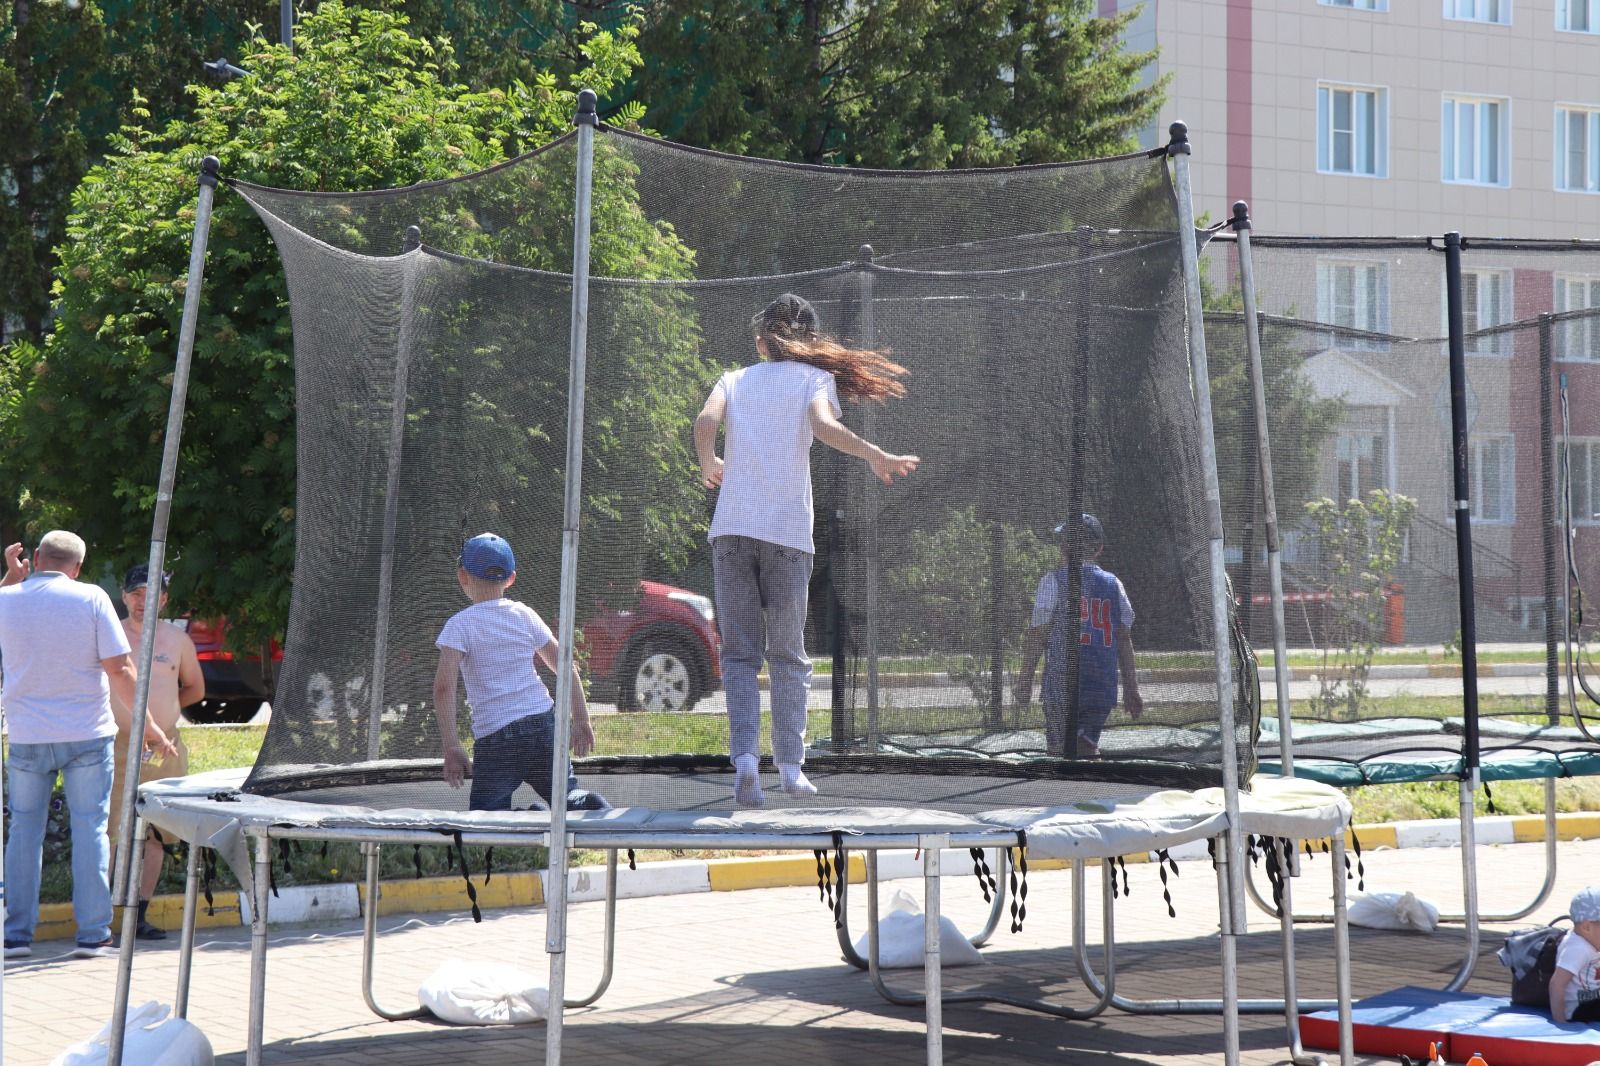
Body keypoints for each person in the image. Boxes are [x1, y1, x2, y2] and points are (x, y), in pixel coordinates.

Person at [694, 293, 919, 806]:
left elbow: (706, 421)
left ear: (760, 343)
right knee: (788, 655)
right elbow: (824, 427)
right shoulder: (815, 380)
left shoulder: (734, 378)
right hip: (788, 535)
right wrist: (875, 455)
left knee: (740, 654)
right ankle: (791, 768)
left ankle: (746, 762)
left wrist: (709, 461)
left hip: (731, 531)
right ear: (810, 344)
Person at [1, 533, 176, 959]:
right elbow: (120, 669)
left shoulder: (7, 599)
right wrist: (150, 726)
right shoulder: (93, 598)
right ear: (78, 567)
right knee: (91, 830)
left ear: (37, 558)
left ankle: (16, 936)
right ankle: (94, 935)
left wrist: (9, 578)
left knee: (24, 832)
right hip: (87, 734)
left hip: (27, 736)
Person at [431, 533, 609, 812]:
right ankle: (580, 803)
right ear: (511, 578)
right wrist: (581, 719)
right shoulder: (523, 614)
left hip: (496, 737)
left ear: (462, 576)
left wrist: (452, 746)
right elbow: (565, 665)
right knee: (565, 797)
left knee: (488, 816)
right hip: (542, 725)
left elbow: (444, 689)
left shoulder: (460, 625)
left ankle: (527, 816)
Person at [108, 564, 205, 941]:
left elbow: (195, 688)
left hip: (164, 750)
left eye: (151, 594)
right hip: (116, 747)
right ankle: (105, 917)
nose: (142, 601)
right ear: (124, 595)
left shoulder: (177, 641)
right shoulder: (108, 633)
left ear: (164, 599)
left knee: (156, 835)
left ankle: (140, 915)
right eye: (135, 593)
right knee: (112, 832)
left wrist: (162, 715)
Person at [1013, 513, 1144, 758]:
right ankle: (1091, 787)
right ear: (1100, 549)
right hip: (1100, 684)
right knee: (1086, 745)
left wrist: (1025, 680)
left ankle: (1065, 791)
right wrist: (1131, 688)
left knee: (1059, 750)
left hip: (1061, 683)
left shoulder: (1052, 581)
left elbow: (1038, 636)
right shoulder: (1114, 584)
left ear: (1064, 548)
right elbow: (1124, 640)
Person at [1550, 886, 1600, 1024]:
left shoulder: (1592, 940)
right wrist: (1560, 1022)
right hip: (1578, 1009)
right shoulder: (1577, 948)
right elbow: (1556, 984)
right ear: (1587, 927)